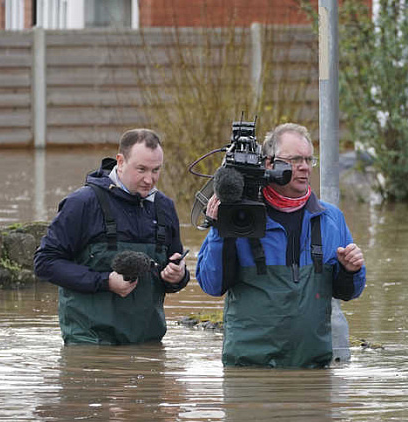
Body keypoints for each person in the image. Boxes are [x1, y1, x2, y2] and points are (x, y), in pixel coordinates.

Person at [196, 123, 366, 368]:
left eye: (309, 159)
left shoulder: (331, 218)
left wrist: (352, 270)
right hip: (249, 370)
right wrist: (220, 229)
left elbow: (349, 293)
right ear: (269, 163)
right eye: (295, 159)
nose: (305, 167)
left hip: (313, 370)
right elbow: (212, 285)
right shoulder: (237, 217)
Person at [34, 128, 189, 345]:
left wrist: (178, 276)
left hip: (148, 342)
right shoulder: (82, 203)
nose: (149, 179)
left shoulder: (164, 207)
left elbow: (175, 270)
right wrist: (105, 281)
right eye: (141, 169)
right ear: (120, 161)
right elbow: (45, 263)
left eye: (156, 170)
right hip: (89, 342)